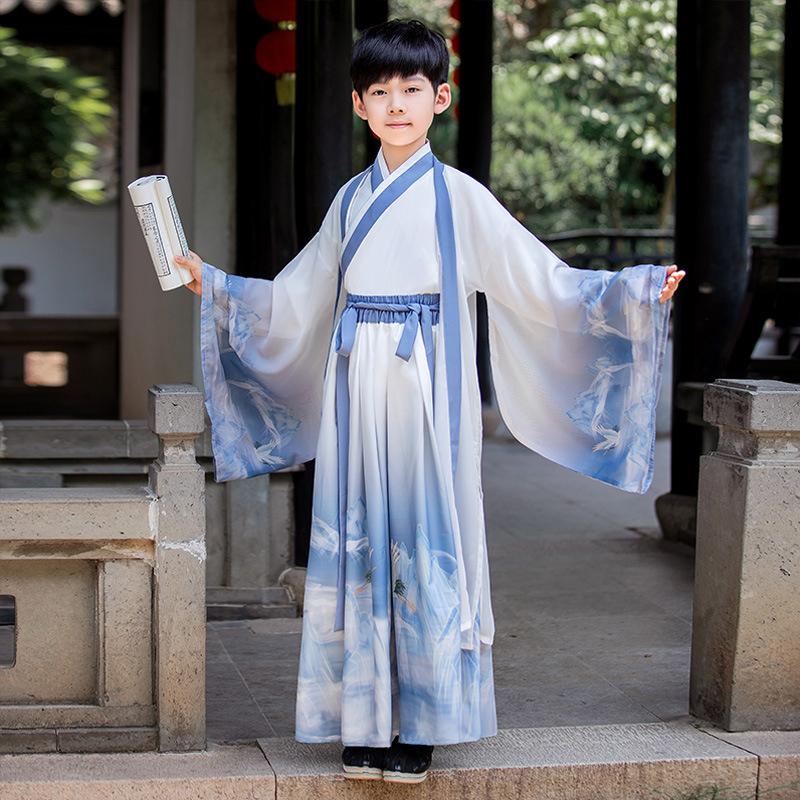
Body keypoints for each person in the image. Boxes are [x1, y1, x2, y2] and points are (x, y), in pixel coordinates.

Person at [176, 18, 685, 784]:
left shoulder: (461, 198)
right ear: (359, 106)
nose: (396, 104)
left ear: (440, 97)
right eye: (379, 92)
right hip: (357, 389)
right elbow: (297, 296)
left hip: (428, 394)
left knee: (427, 536)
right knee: (358, 539)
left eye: (411, 89)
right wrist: (215, 286)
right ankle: (362, 718)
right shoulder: (351, 201)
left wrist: (631, 289)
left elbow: (540, 279)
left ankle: (424, 720)